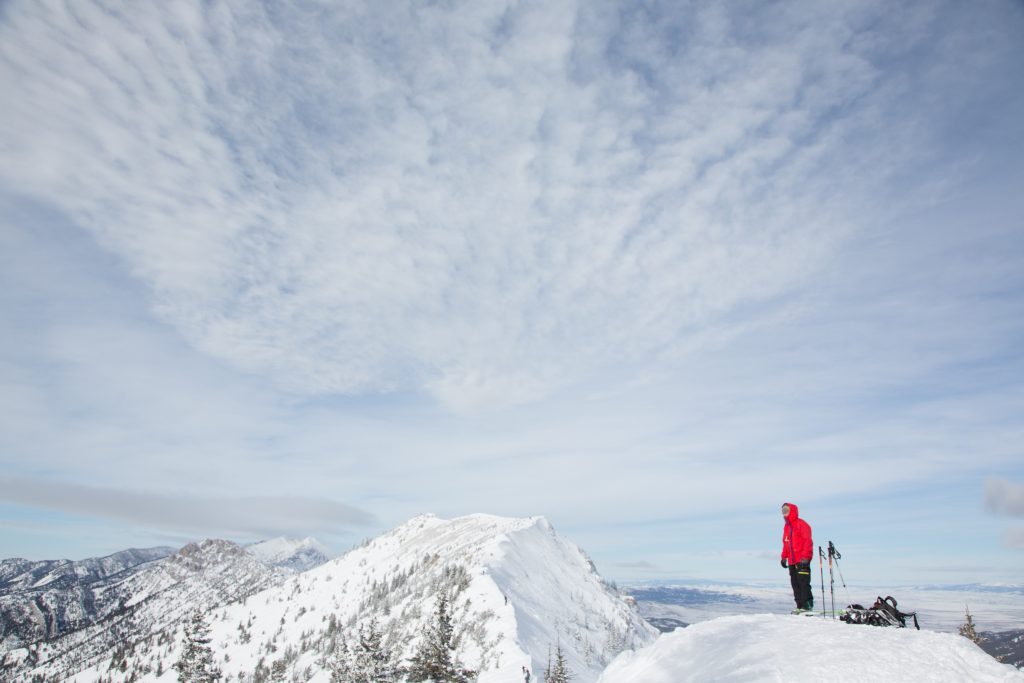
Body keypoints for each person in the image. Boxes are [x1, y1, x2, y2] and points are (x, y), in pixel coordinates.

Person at [780, 502, 814, 612]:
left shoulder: (802, 524)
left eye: (786, 510)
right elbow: (786, 543)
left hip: (802, 560)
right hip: (792, 561)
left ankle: (807, 605)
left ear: (792, 511)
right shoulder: (786, 527)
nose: (784, 513)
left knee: (803, 583)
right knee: (795, 584)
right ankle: (799, 606)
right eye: (783, 511)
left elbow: (807, 541)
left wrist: (806, 557)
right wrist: (784, 557)